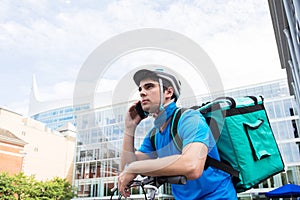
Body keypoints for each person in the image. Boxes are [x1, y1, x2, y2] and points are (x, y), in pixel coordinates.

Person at [118, 68, 237, 199]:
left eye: (149, 86)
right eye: (140, 89)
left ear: (168, 92)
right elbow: (126, 168)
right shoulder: (154, 134)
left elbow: (192, 166)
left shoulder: (189, 118)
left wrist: (135, 168)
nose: (142, 93)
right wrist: (129, 128)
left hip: (217, 196)